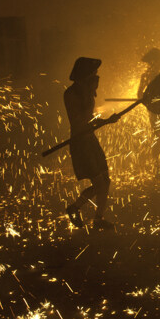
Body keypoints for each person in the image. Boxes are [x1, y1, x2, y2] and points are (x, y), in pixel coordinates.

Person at [64, 57, 117, 230]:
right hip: (81, 143)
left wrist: (106, 121)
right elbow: (79, 122)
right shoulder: (71, 94)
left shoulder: (86, 92)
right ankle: (74, 208)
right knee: (99, 184)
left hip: (90, 140)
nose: (97, 76)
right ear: (85, 74)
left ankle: (98, 219)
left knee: (105, 181)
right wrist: (102, 122)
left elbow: (90, 120)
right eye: (94, 73)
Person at [137, 48, 160, 171]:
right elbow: (140, 94)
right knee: (158, 137)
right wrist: (148, 103)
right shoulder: (147, 75)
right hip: (157, 109)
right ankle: (158, 166)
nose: (158, 63)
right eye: (155, 61)